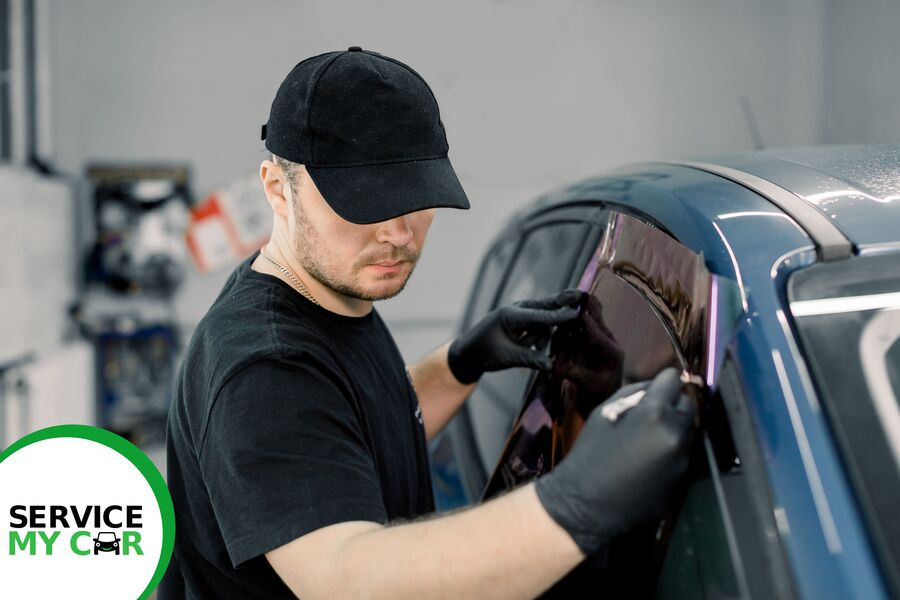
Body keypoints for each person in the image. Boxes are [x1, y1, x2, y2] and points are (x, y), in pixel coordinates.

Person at [161, 47, 695, 599]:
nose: (398, 233)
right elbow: (344, 578)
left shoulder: (327, 296)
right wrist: (577, 503)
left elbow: (346, 430)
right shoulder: (265, 368)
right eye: (365, 203)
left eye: (415, 197)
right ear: (277, 188)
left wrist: (461, 364)